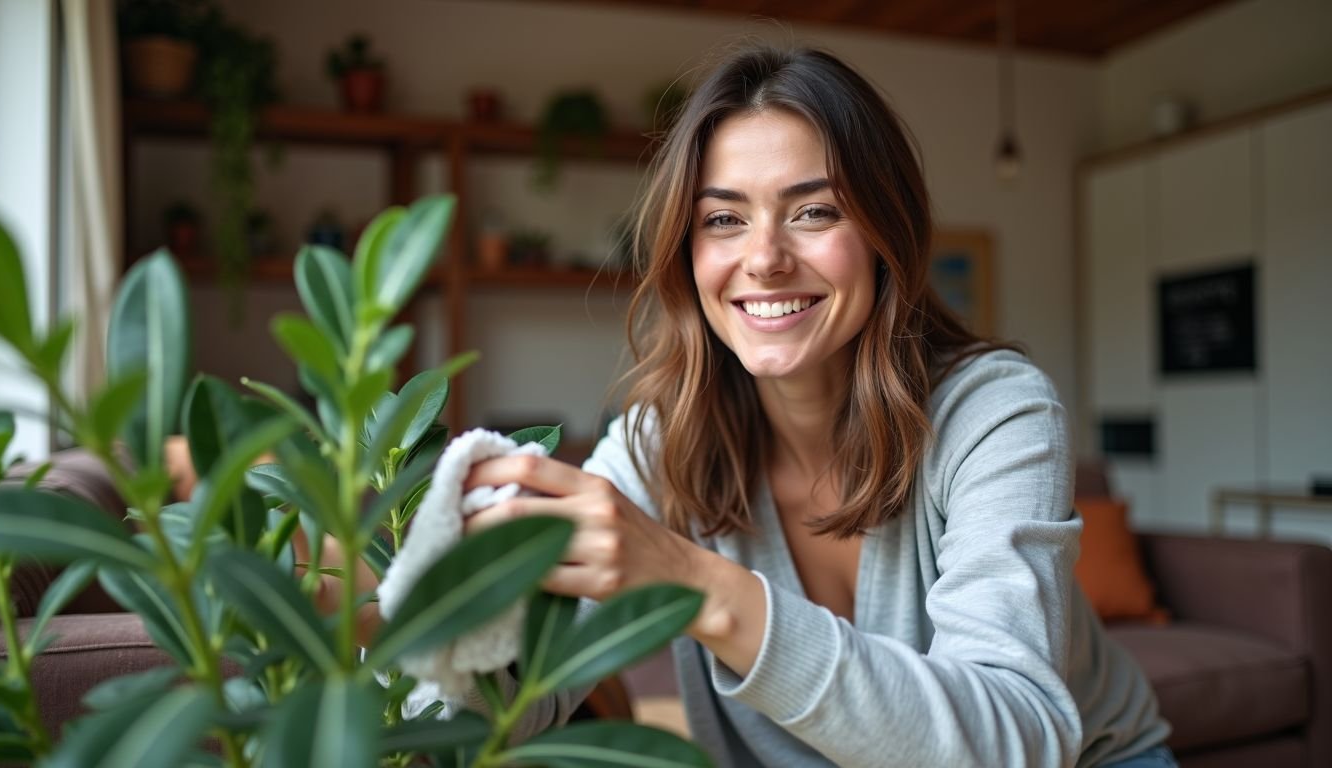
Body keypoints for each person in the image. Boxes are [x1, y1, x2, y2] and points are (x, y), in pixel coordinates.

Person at [460, 44, 1175, 768]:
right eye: (724, 220)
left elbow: (1011, 740)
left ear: (883, 234)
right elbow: (509, 700)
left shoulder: (995, 412)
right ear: (687, 252)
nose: (765, 258)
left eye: (814, 211)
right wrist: (393, 628)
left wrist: (695, 581)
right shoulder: (659, 444)